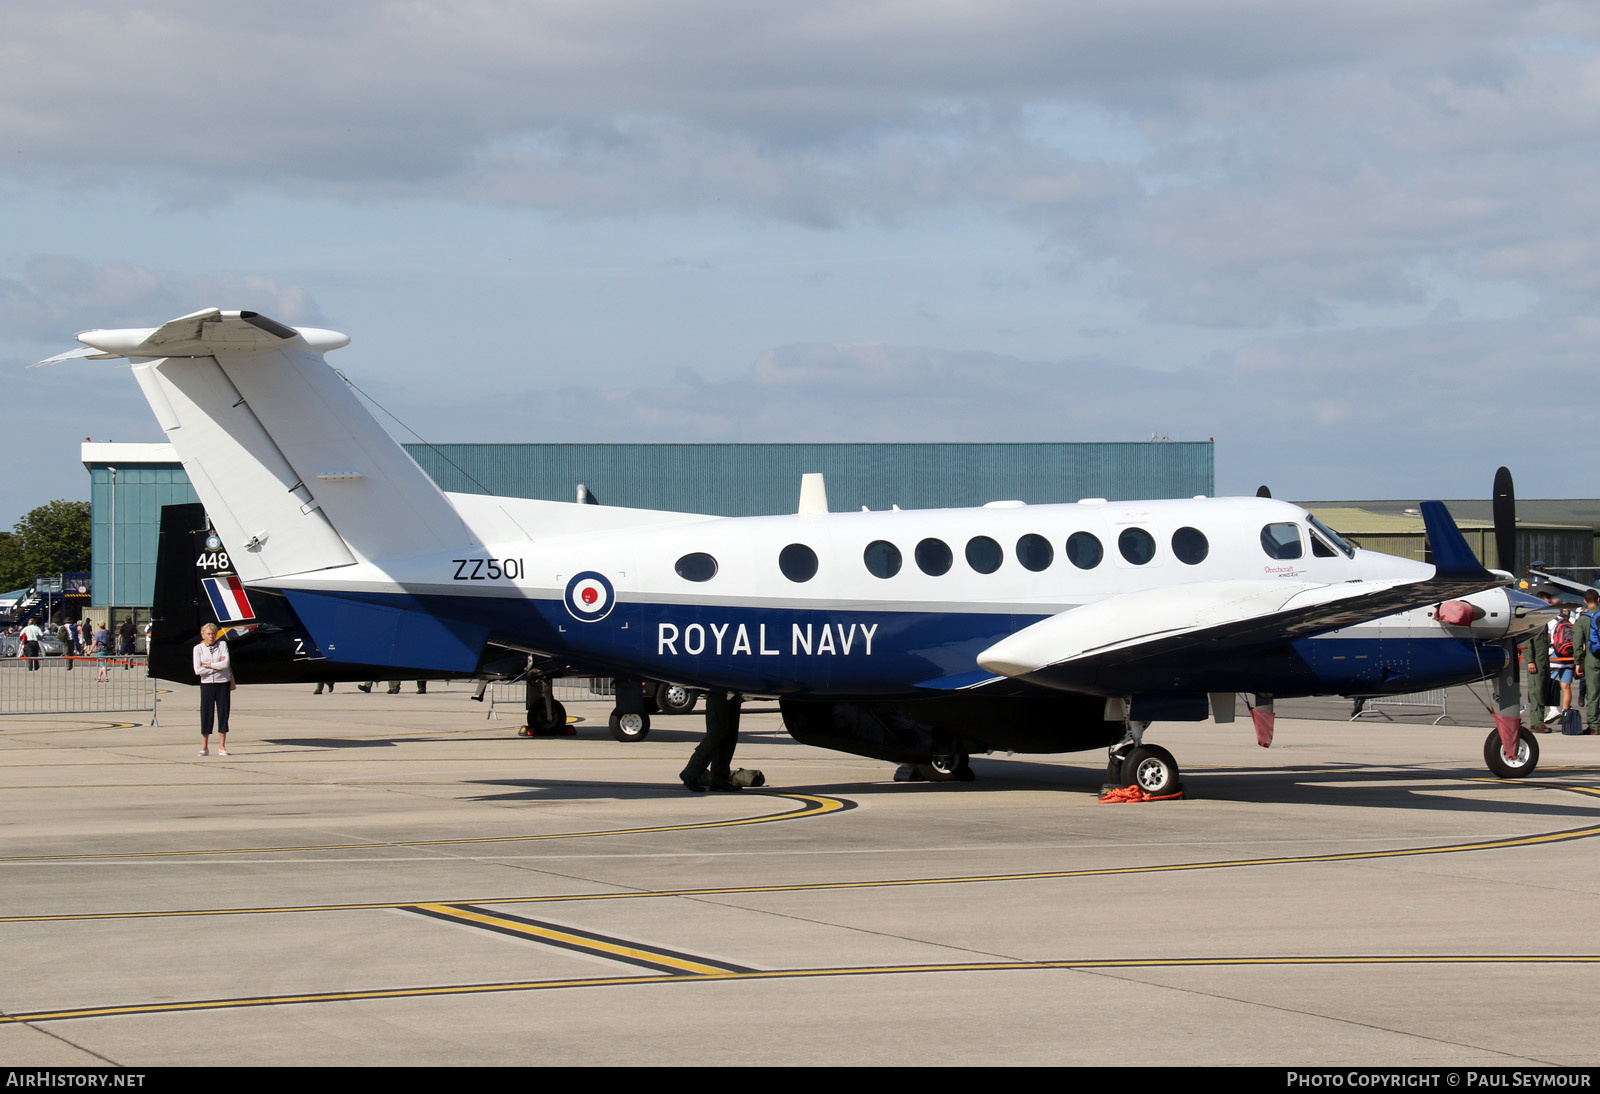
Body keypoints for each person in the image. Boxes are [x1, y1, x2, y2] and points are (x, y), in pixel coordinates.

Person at [680, 690, 743, 793]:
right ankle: (691, 772)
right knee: (717, 732)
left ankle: (720, 780)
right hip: (718, 687)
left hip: (735, 688)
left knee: (730, 735)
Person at [192, 623, 233, 756]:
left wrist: (209, 665)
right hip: (207, 684)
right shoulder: (198, 648)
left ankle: (222, 746)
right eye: (209, 634)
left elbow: (225, 664)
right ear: (203, 635)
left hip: (223, 683)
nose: (211, 636)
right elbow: (198, 670)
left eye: (213, 634)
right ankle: (204, 746)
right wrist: (215, 668)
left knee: (223, 713)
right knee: (206, 713)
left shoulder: (222, 645)